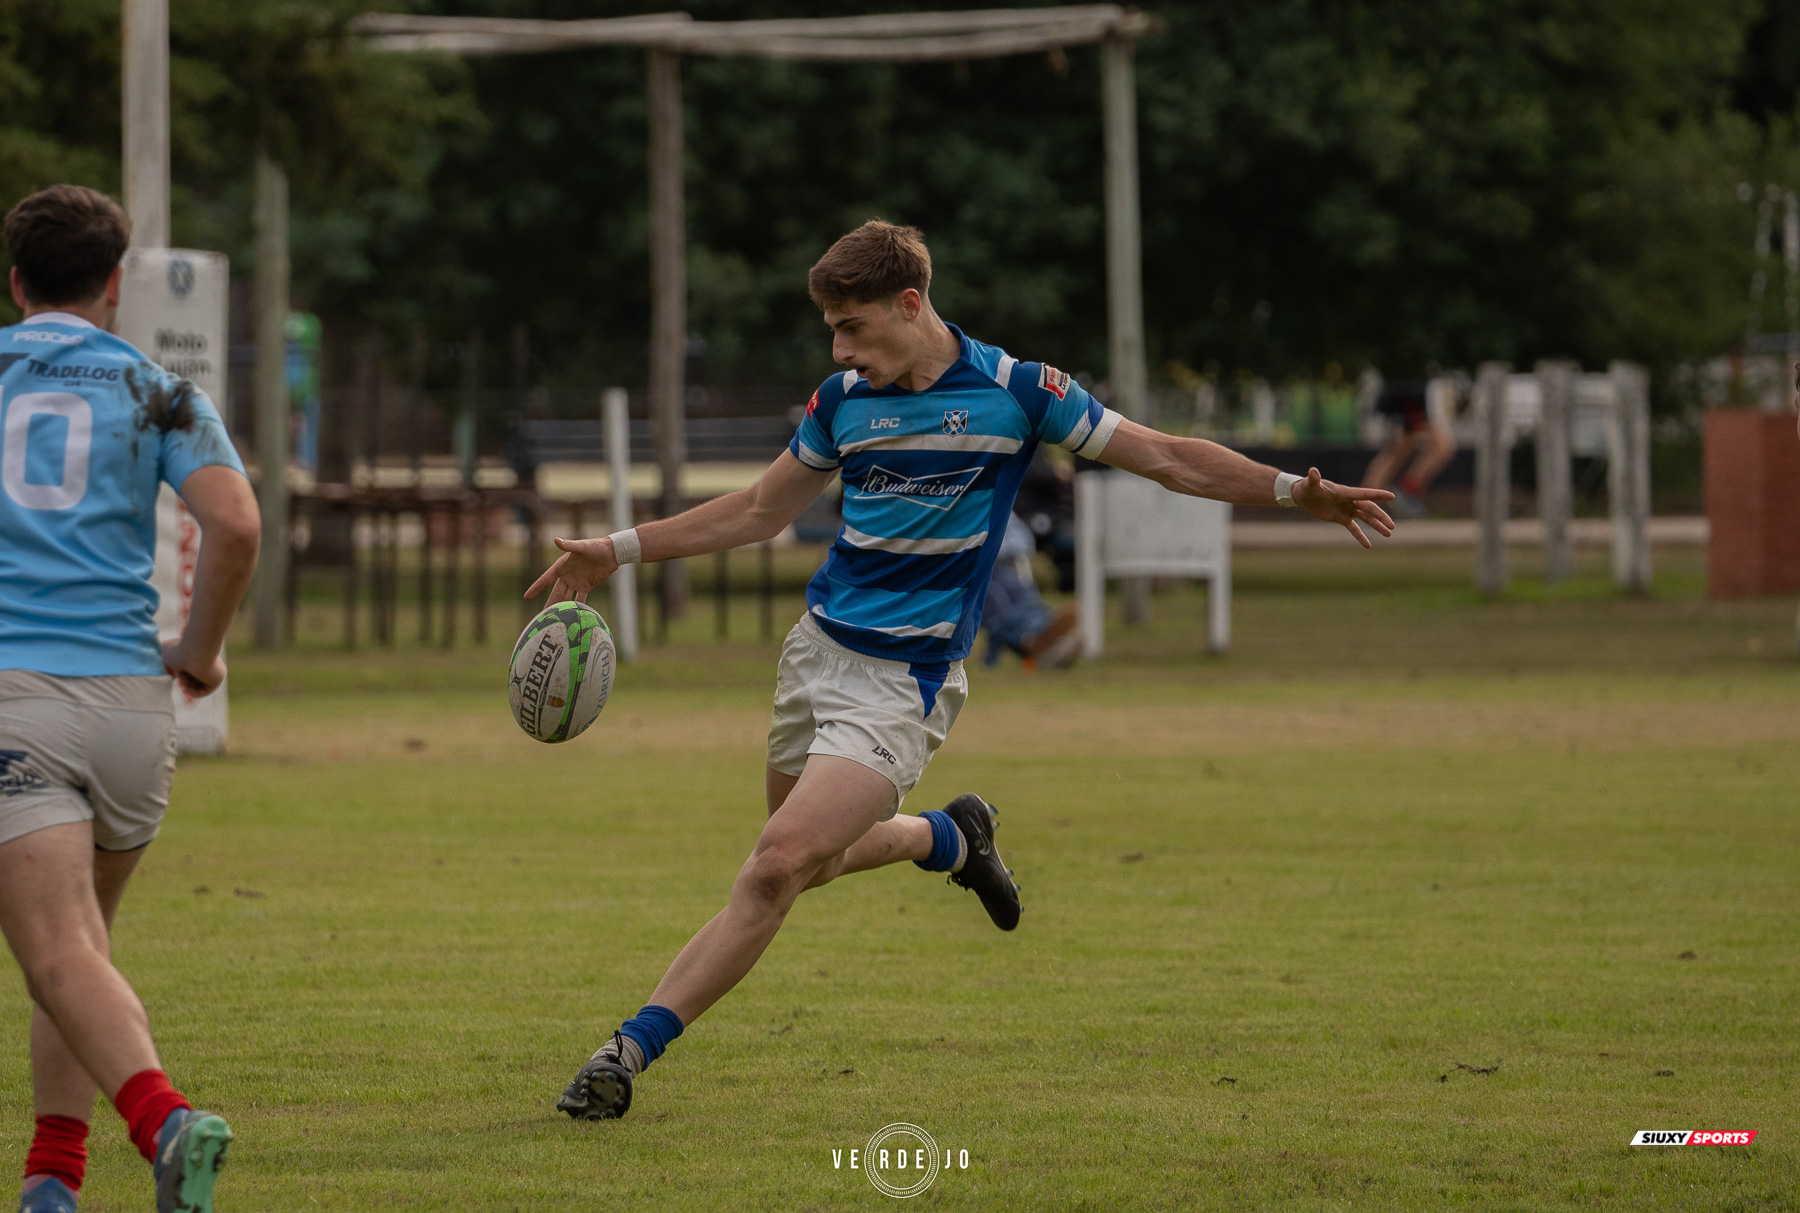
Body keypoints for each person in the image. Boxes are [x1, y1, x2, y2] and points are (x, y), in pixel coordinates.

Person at [529, 221, 1395, 1121]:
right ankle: (947, 837)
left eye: (853, 327)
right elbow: (757, 510)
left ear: (911, 305)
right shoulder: (842, 402)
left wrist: (1293, 490)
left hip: (902, 685)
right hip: (814, 657)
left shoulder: (1019, 391)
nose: (840, 350)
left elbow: (1168, 457)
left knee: (775, 867)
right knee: (809, 863)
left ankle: (624, 1052)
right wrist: (614, 549)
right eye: (832, 330)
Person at [0, 185, 259, 1213]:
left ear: (15, 282)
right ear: (115, 282)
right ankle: (51, 1184)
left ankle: (166, 1122)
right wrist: (201, 651)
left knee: (59, 951)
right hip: (131, 711)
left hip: (17, 698)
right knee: (76, 953)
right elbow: (235, 524)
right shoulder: (158, 389)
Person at [981, 512, 1078, 668]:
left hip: (998, 566)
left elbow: (1024, 539)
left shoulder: (995, 502)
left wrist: (995, 549)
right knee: (994, 595)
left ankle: (1039, 635)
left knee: (1021, 590)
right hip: (965, 571)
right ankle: (1037, 638)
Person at [1361, 376, 1457, 519]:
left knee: (1398, 451)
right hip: (1407, 395)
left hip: (1408, 394)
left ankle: (1369, 501)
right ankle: (1403, 490)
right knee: (1439, 446)